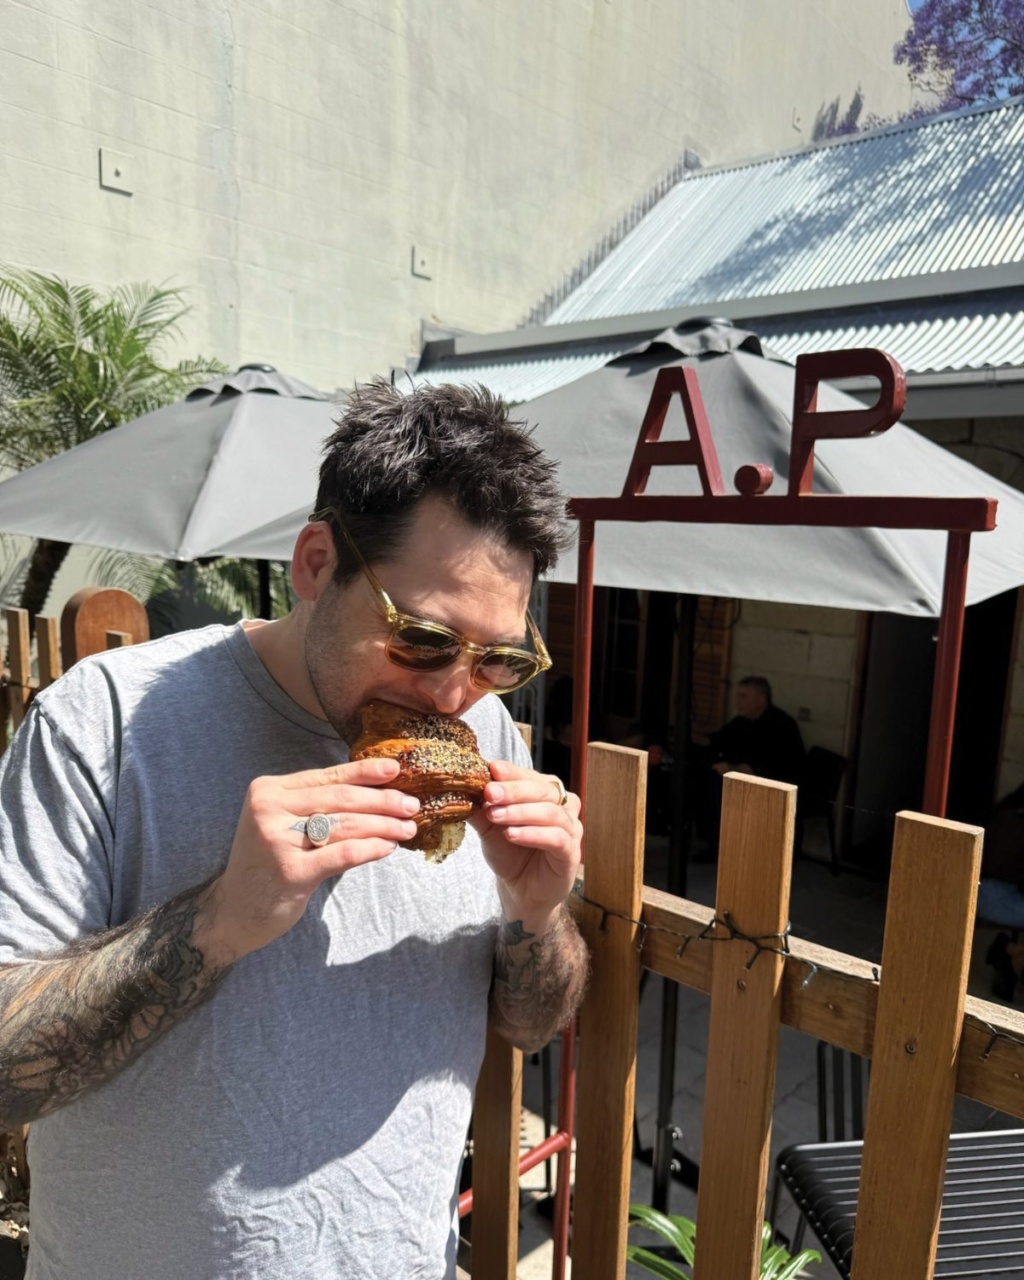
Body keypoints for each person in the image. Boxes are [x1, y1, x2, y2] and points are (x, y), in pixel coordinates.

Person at [0, 380, 589, 1280]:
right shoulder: (104, 724)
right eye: (425, 639)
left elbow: (530, 1026)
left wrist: (536, 913)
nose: (454, 692)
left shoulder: (490, 732)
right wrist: (218, 922)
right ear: (315, 563)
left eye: (501, 658)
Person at [694, 676, 806, 856]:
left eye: (744, 696)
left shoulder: (781, 724)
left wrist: (735, 770)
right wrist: (696, 737)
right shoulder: (742, 721)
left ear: (761, 699)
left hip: (777, 784)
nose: (738, 701)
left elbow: (772, 763)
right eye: (737, 696)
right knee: (702, 773)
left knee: (718, 785)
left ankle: (721, 846)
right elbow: (719, 740)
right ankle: (712, 839)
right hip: (747, 776)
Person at [977, 780, 1024, 1001]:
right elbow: (1004, 868)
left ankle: (1011, 952)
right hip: (992, 893)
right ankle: (1011, 955)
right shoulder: (1014, 820)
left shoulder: (1011, 809)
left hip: (998, 889)